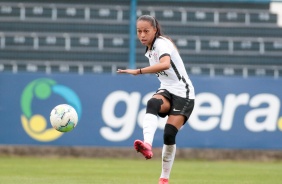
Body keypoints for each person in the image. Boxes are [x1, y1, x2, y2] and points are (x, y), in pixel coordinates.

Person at [117, 15, 195, 184]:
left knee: (169, 134)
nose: (142, 35)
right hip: (167, 89)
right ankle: (147, 145)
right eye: (139, 31)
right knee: (152, 103)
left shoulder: (161, 43)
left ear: (155, 30)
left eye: (146, 31)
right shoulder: (150, 49)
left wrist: (138, 71)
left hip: (184, 93)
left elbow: (166, 64)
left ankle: (164, 179)